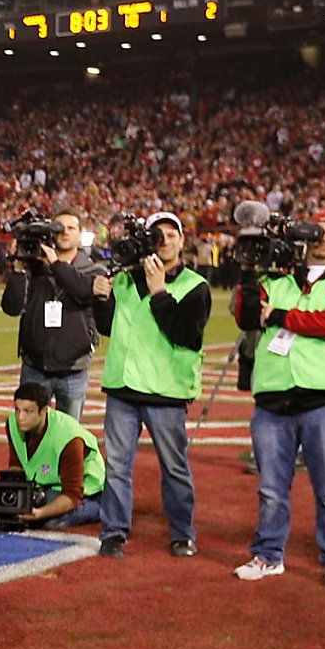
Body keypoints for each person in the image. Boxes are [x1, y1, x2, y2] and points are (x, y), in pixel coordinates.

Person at [231, 210, 325, 590]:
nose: (324, 240)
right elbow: (245, 317)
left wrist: (276, 315)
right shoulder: (274, 279)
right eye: (317, 233)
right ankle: (268, 554)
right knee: (271, 487)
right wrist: (246, 272)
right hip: (274, 396)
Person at [91, 212, 211, 560]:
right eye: (157, 235)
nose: (165, 240)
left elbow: (187, 336)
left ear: (181, 241)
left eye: (171, 234)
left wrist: (159, 291)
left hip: (166, 391)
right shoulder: (126, 281)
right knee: (116, 466)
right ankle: (113, 532)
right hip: (123, 388)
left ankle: (182, 532)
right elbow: (108, 327)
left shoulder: (194, 285)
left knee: (174, 467)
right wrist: (102, 298)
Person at [0, 209, 102, 421]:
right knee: (29, 435)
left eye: (71, 228)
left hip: (73, 368)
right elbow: (12, 307)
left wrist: (55, 264)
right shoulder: (33, 268)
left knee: (69, 438)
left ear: (79, 234)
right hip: (35, 367)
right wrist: (18, 269)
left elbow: (82, 291)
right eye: (59, 227)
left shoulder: (92, 269)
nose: (65, 232)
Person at [0, 382, 104, 530]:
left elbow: (72, 495)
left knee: (49, 522)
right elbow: (16, 464)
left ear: (43, 411)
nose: (20, 417)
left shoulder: (68, 438)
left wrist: (39, 513)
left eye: (28, 411)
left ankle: (102, 507)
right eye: (17, 410)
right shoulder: (12, 424)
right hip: (47, 484)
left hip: (84, 488)